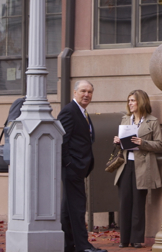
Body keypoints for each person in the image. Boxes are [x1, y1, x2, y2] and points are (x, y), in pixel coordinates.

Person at [58, 80, 107, 252]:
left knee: (69, 208)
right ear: (75, 92)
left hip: (78, 168)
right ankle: (82, 246)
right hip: (72, 168)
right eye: (83, 91)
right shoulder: (69, 112)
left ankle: (68, 244)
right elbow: (61, 140)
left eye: (90, 92)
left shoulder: (82, 112)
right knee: (78, 207)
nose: (86, 94)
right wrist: (69, 163)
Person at [113, 90, 162, 248]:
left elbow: (160, 145)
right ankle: (124, 239)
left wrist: (143, 143)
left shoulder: (152, 122)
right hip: (126, 165)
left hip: (143, 168)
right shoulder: (125, 119)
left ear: (141, 102)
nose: (130, 103)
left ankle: (136, 239)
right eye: (129, 101)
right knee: (125, 202)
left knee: (138, 204)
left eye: (133, 100)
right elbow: (123, 143)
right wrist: (117, 141)